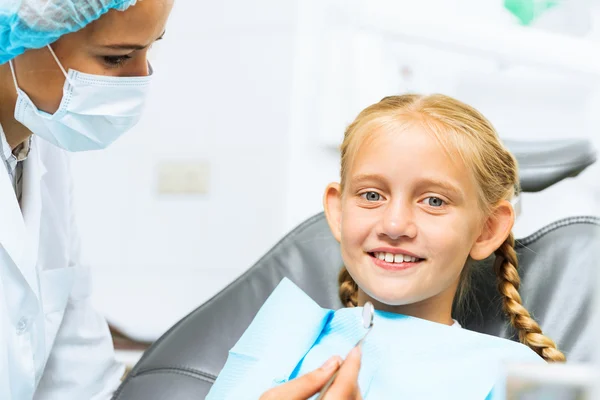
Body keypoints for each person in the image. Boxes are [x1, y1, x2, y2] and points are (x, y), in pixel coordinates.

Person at [0, 1, 361, 398]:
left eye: (150, 48)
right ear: (16, 38)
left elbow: (78, 381)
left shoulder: (43, 155)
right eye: (116, 57)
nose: (141, 79)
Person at [207, 94, 566, 399]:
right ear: (338, 210)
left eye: (434, 201)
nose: (394, 225)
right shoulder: (284, 330)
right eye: (372, 195)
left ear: (487, 230)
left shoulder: (514, 375)